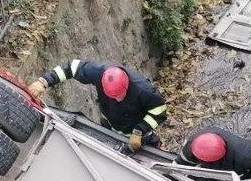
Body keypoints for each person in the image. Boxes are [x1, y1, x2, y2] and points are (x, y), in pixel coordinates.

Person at [28, 60, 167, 152]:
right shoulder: (99, 72)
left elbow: (159, 112)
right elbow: (71, 68)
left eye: (120, 96)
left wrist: (139, 131)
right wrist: (45, 81)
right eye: (113, 96)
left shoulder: (144, 90)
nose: (118, 99)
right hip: (112, 126)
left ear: (127, 86)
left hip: (138, 134)